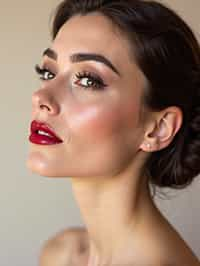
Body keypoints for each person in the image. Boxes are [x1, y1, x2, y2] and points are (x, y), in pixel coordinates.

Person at [26, 0, 200, 265]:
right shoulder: (62, 254)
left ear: (158, 128)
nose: (41, 96)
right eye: (48, 72)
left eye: (88, 80)